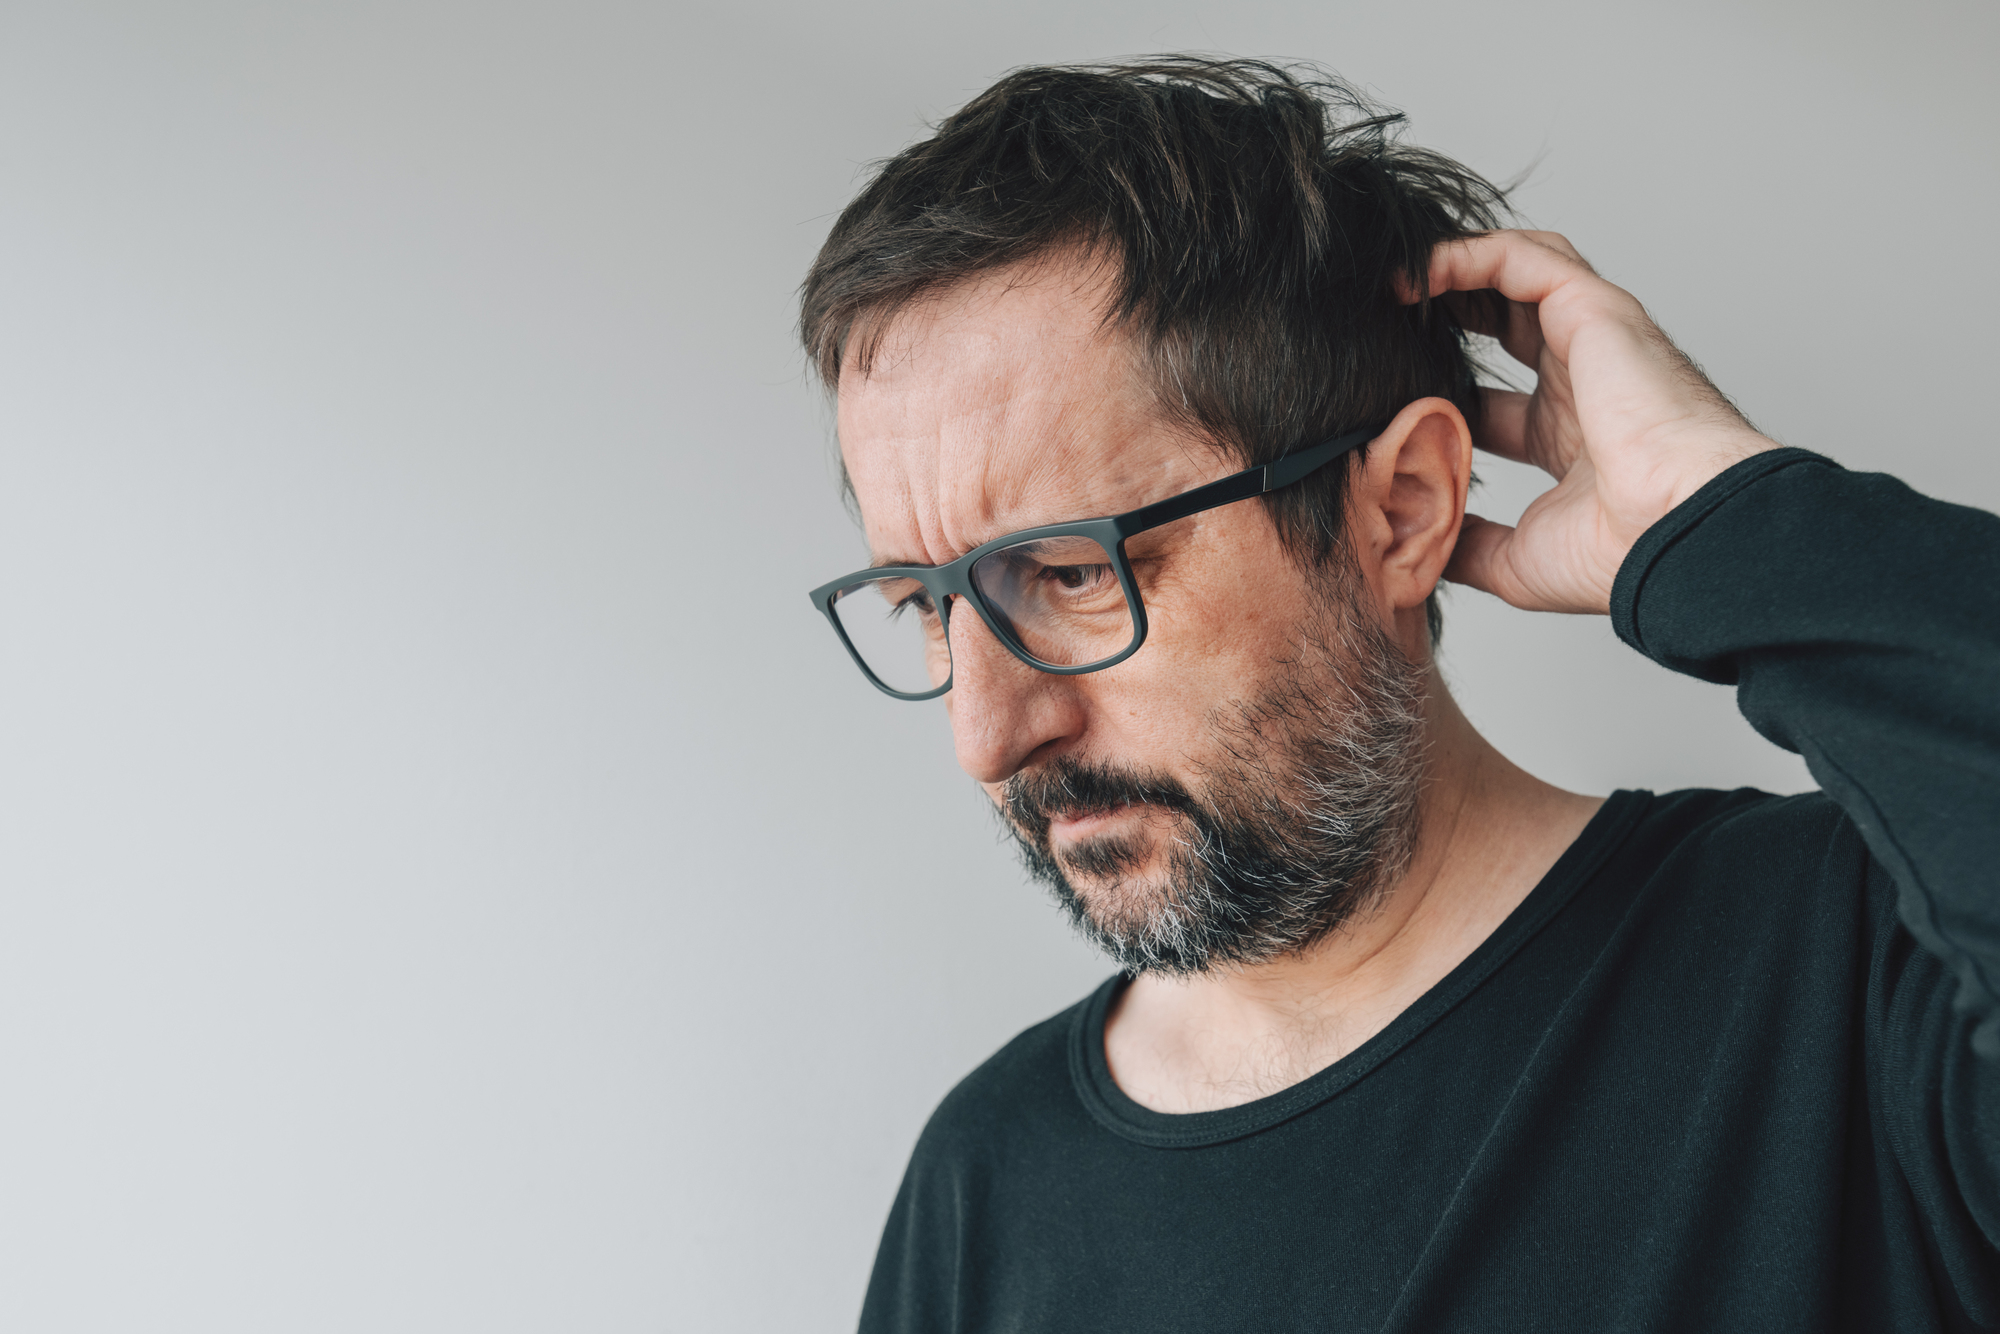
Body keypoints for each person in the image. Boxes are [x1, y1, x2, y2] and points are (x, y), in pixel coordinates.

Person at [799, 57, 2000, 1331]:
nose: (987, 734)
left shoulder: (1853, 971)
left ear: (1401, 508)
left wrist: (1724, 521)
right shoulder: (984, 1181)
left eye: (1064, 571)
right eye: (929, 604)